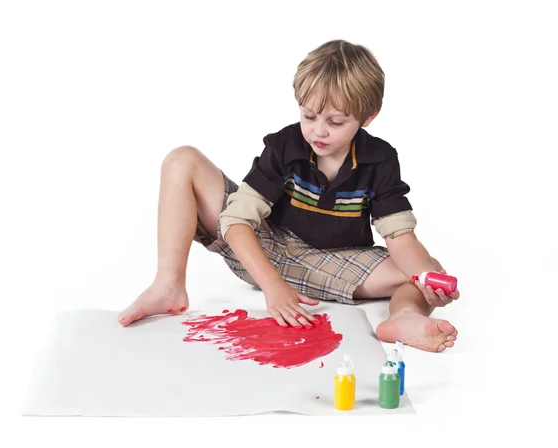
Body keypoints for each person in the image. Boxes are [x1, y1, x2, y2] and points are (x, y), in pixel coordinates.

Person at [118, 40, 459, 352]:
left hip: (334, 263)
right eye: (309, 116)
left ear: (367, 117)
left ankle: (403, 317)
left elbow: (400, 237)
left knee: (427, 268)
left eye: (335, 122)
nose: (318, 130)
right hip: (264, 251)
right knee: (182, 159)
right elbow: (236, 222)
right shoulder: (285, 146)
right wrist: (272, 287)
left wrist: (425, 278)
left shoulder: (380, 159)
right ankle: (168, 285)